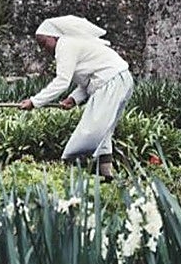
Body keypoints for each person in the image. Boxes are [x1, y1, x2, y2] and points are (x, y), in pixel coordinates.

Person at [18, 15, 134, 180]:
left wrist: (34, 102)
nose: (44, 49)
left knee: (91, 129)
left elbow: (62, 81)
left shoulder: (65, 45)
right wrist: (73, 99)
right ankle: (107, 175)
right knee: (103, 131)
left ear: (54, 36)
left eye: (44, 43)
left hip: (112, 82)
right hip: (120, 80)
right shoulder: (74, 44)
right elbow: (89, 80)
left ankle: (68, 167)